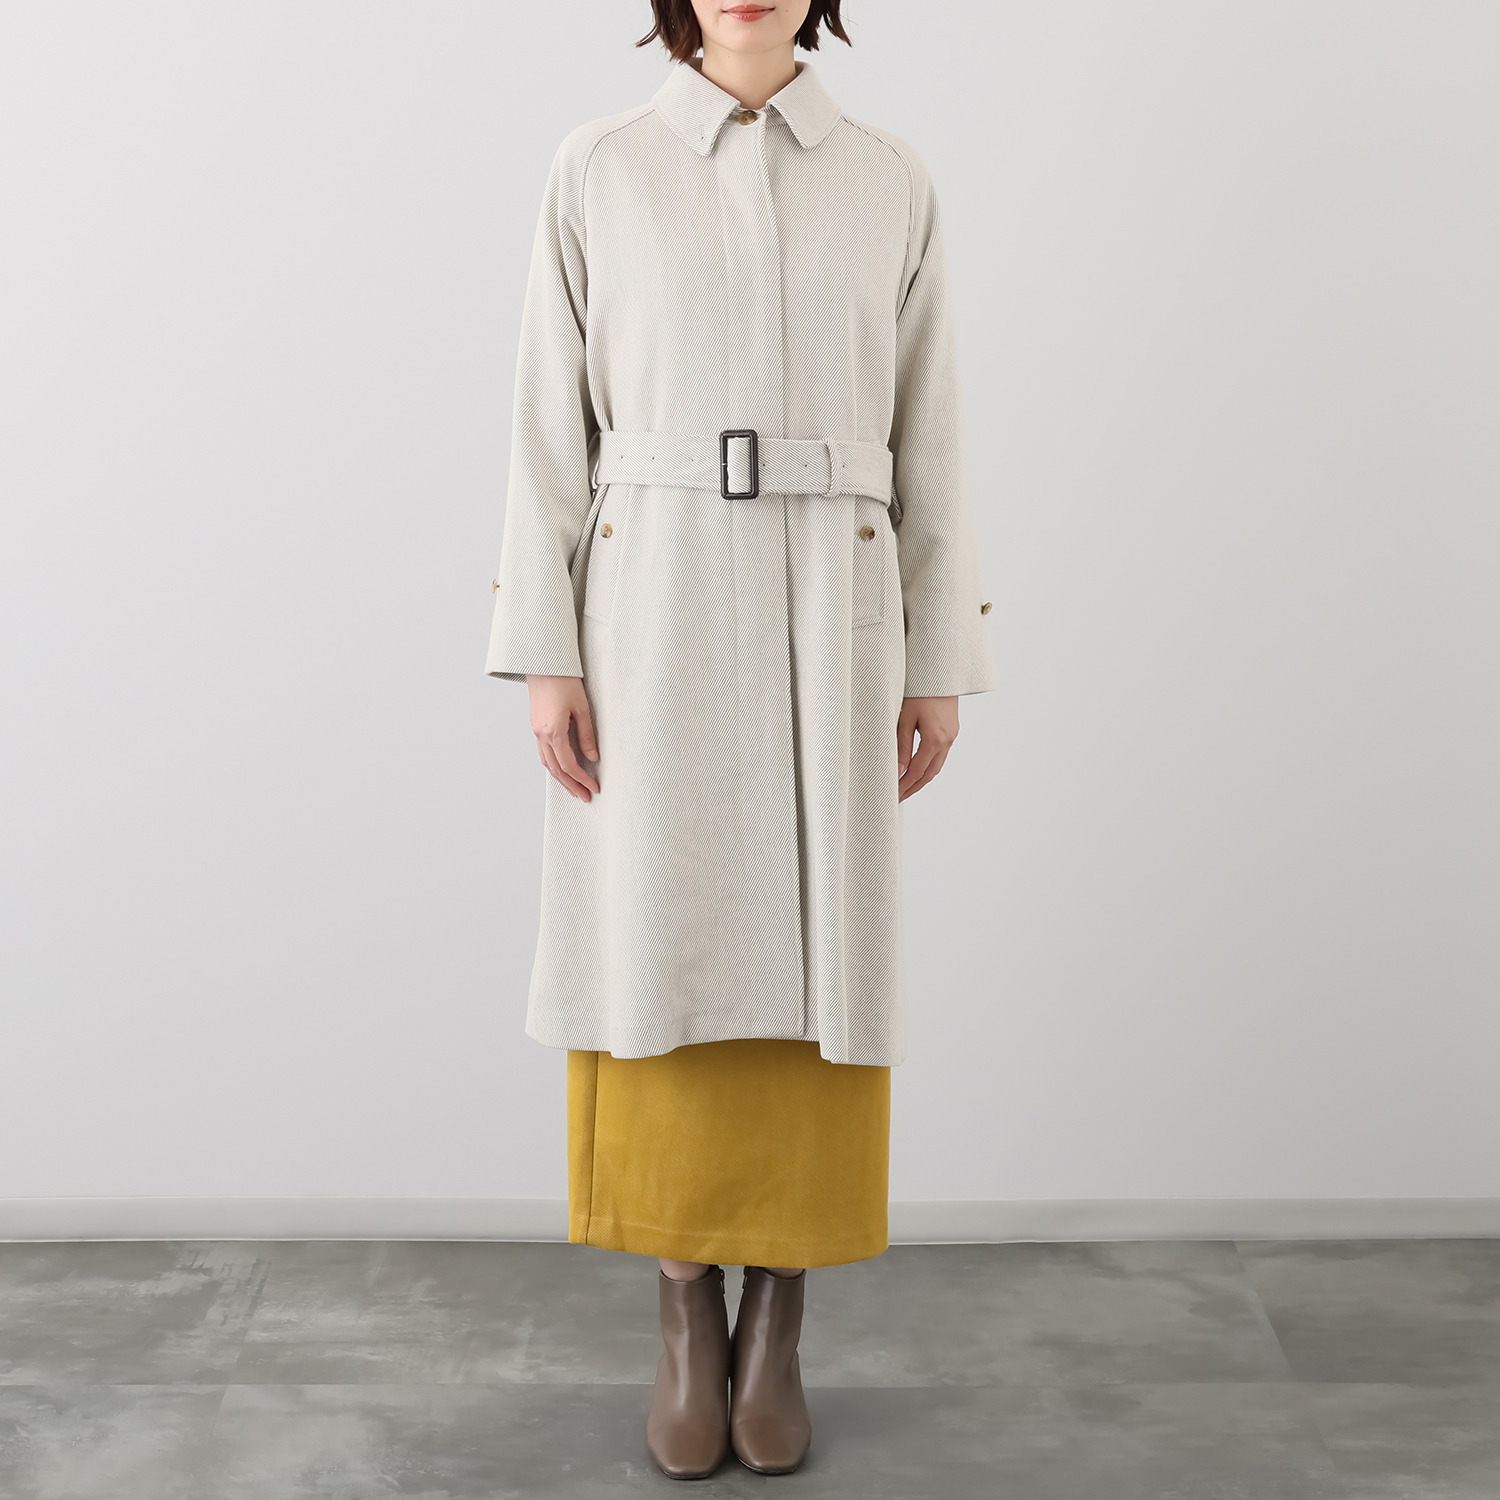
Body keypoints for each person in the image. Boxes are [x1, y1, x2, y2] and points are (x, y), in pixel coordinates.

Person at [485, 0, 995, 1478]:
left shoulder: (888, 176)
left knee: (823, 944)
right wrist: (544, 647)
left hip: (838, 601)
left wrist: (940, 655)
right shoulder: (600, 167)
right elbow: (546, 422)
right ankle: (680, 1305)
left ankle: (778, 1316)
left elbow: (932, 430)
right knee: (658, 935)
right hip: (648, 607)